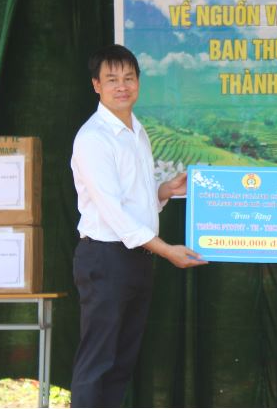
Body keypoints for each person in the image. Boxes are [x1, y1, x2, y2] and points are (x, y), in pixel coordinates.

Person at [70, 44, 207, 408]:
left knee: (121, 362)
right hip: (106, 258)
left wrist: (165, 190)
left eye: (129, 78)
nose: (122, 86)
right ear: (96, 85)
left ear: (139, 82)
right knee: (98, 361)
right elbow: (113, 212)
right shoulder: (93, 138)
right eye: (112, 79)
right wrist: (167, 251)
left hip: (135, 258)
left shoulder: (136, 129)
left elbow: (134, 197)